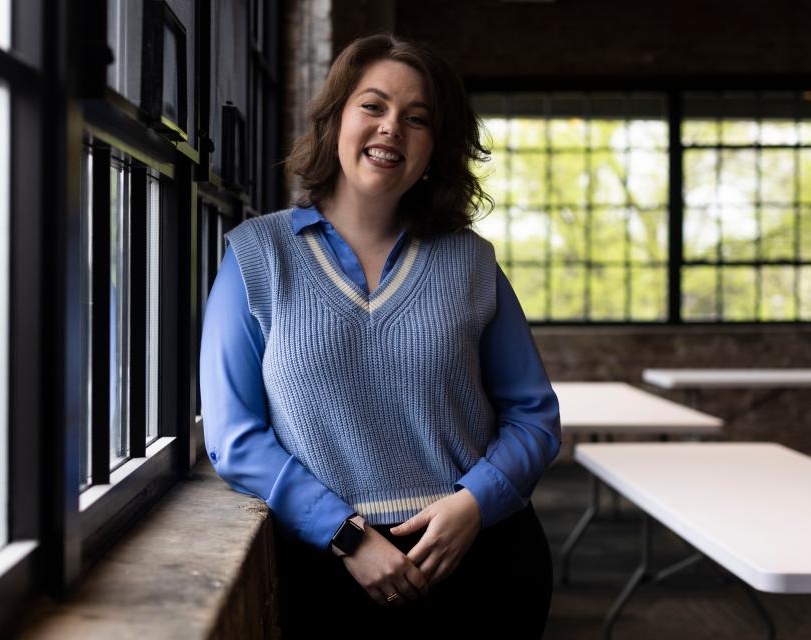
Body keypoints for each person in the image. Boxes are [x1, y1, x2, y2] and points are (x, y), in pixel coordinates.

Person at [199, 32, 561, 638]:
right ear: (335, 117)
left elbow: (534, 415)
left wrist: (475, 503)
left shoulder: (470, 262)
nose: (392, 127)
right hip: (326, 575)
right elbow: (234, 437)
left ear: (434, 147)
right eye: (373, 106)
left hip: (484, 567)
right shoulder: (258, 256)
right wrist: (347, 535)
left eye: (417, 119)